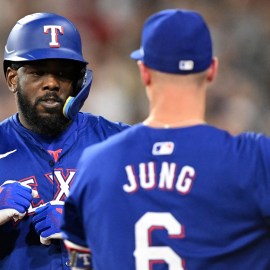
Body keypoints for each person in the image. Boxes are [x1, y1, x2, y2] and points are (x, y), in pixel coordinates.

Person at [61, 9, 270, 270]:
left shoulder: (96, 164)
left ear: (144, 71)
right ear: (212, 70)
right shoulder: (255, 159)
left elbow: (80, 262)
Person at [0, 12, 129, 270]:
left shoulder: (118, 142)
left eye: (62, 73)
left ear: (78, 82)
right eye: (38, 72)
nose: (51, 83)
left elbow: (163, 222)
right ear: (13, 79)